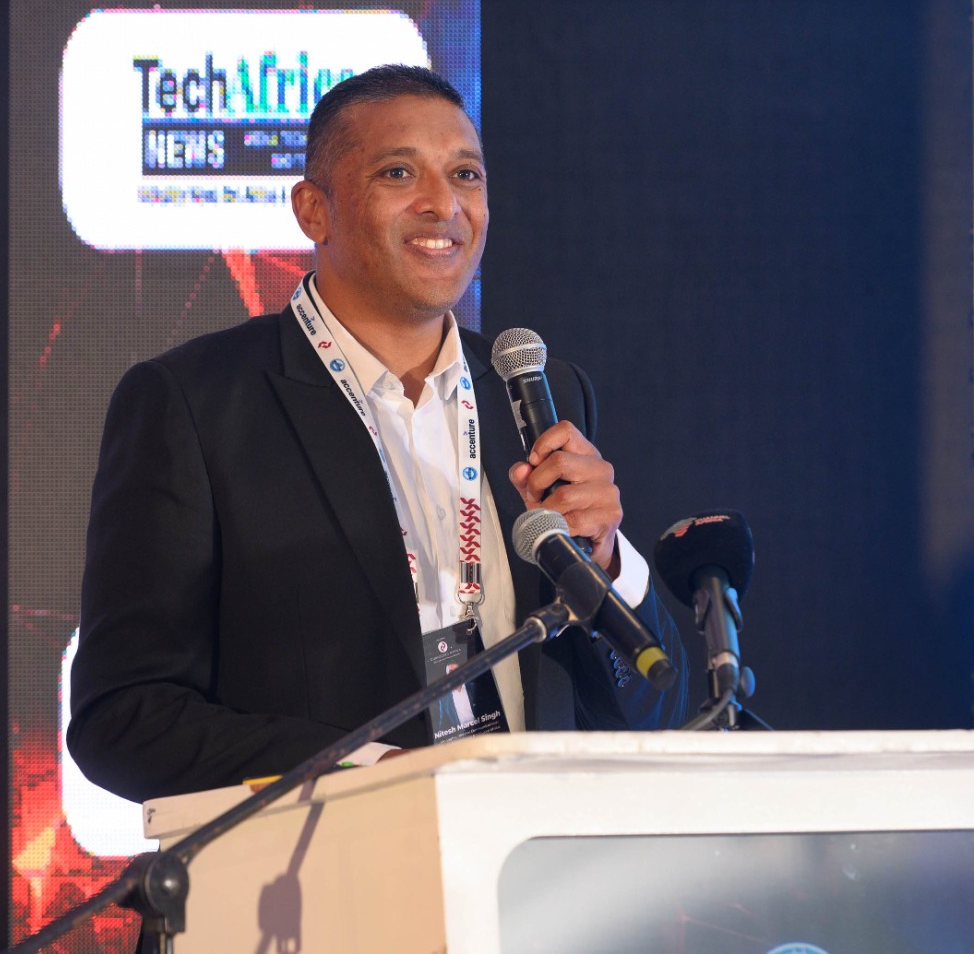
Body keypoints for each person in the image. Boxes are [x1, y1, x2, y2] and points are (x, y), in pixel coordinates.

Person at [68, 65, 686, 803]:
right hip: (326, 858)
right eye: (399, 173)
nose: (444, 204)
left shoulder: (537, 395)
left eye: (466, 174)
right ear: (313, 211)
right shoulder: (195, 404)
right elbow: (126, 718)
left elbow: (650, 711)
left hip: (525, 857)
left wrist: (607, 561)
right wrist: (363, 772)